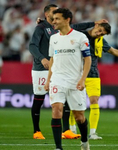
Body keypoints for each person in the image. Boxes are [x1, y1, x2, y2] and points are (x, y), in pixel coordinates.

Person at [29, 4, 104, 139]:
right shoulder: (41, 28)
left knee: (64, 101)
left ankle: (66, 130)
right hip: (41, 68)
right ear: (47, 14)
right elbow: (32, 46)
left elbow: (76, 27)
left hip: (59, 70)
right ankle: (37, 131)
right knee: (39, 98)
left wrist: (93, 23)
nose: (56, 15)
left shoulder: (61, 28)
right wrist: (42, 59)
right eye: (54, 12)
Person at [66, 22, 118, 140]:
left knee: (94, 101)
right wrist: (92, 22)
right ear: (96, 26)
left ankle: (93, 133)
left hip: (93, 74)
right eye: (99, 30)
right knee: (74, 102)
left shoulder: (99, 40)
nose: (99, 34)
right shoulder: (79, 34)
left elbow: (112, 50)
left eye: (102, 34)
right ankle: (71, 129)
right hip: (77, 74)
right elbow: (71, 27)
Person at [44, 8, 91, 150]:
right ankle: (58, 147)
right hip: (57, 79)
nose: (54, 21)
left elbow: (87, 60)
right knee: (56, 109)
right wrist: (48, 80)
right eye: (53, 19)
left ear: (67, 20)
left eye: (57, 18)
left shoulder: (80, 37)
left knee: (79, 117)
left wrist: (82, 79)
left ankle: (84, 141)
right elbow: (52, 59)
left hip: (75, 81)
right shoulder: (54, 38)